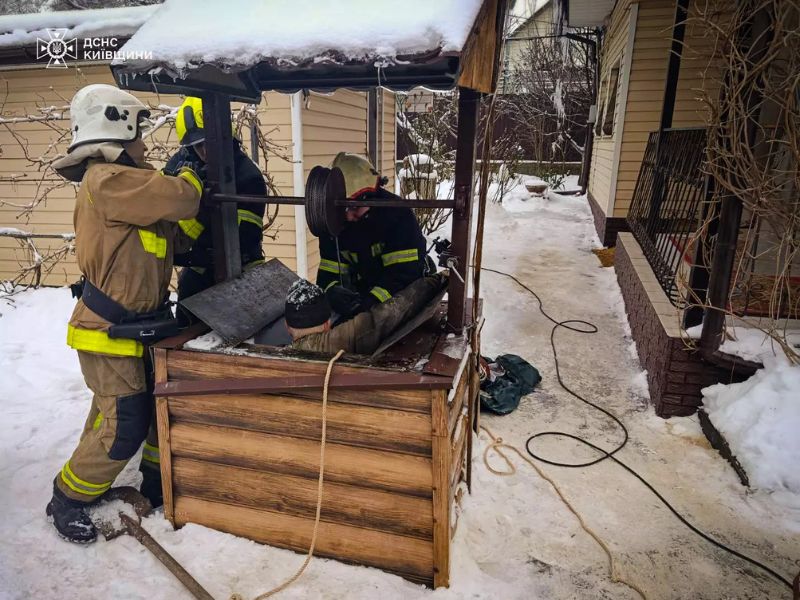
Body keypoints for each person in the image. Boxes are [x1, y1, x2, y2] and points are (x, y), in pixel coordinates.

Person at [47, 84, 203, 543]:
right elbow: (183, 199)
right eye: (139, 136)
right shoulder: (108, 178)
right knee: (124, 426)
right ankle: (67, 498)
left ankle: (82, 485)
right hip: (108, 330)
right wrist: (191, 172)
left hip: (127, 329)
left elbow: (174, 237)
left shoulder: (128, 194)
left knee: (108, 416)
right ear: (116, 130)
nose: (144, 146)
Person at [166, 97, 267, 311]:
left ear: (224, 137)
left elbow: (245, 237)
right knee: (187, 311)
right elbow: (161, 207)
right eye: (196, 146)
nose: (204, 151)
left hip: (241, 267)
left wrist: (199, 207)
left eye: (207, 142)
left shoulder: (248, 176)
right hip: (198, 266)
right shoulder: (181, 162)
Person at [316, 152, 427, 320]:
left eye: (353, 207)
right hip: (361, 298)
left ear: (372, 196)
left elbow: (405, 276)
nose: (348, 216)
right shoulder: (333, 222)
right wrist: (332, 290)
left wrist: (373, 300)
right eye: (342, 208)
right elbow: (328, 271)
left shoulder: (398, 217)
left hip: (401, 299)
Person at [286, 272, 447, 355]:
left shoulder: (277, 355)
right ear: (327, 323)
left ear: (287, 326)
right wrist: (434, 281)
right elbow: (387, 314)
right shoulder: (337, 342)